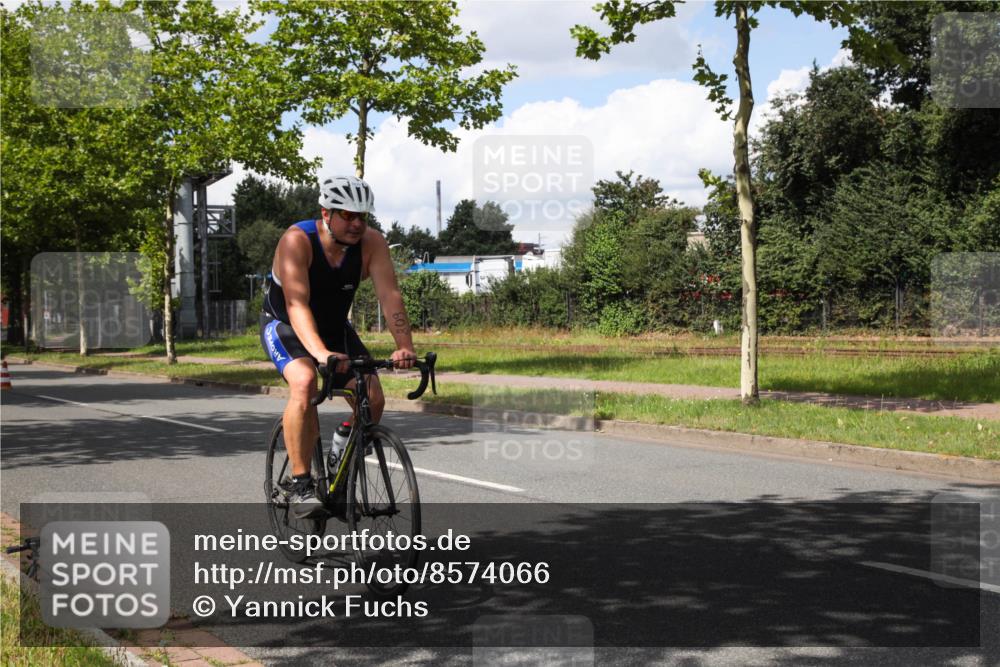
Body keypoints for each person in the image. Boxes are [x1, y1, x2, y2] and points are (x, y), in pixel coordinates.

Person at [259, 176, 416, 517]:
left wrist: (404, 346)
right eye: (348, 215)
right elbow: (297, 304)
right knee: (304, 382)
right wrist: (321, 355)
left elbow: (389, 296)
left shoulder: (372, 243)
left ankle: (341, 456)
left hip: (333, 328)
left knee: (372, 396)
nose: (357, 223)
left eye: (363, 216)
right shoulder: (296, 240)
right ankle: (301, 485)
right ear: (326, 214)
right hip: (286, 324)